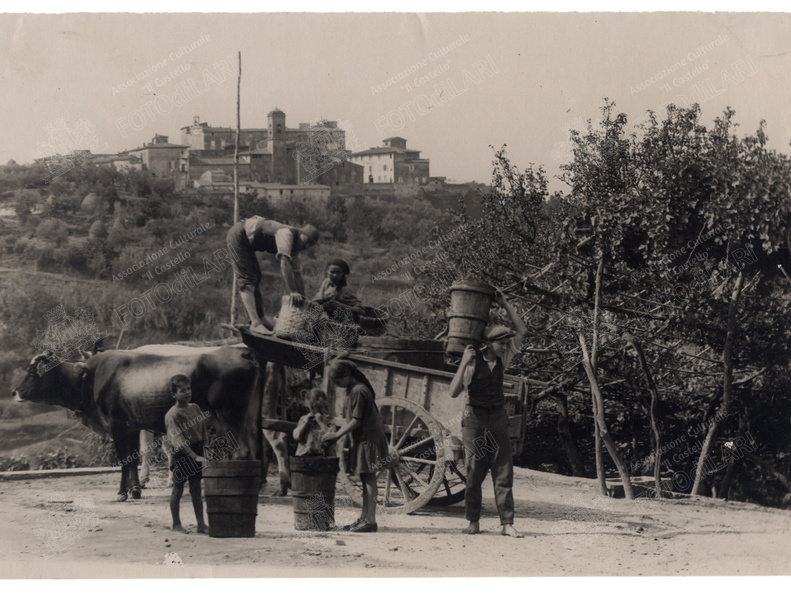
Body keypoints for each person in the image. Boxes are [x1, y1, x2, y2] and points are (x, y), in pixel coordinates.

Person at [449, 289, 527, 537]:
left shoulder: (504, 359)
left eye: (507, 342)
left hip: (497, 419)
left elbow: (522, 330)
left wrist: (505, 303)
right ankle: (473, 521)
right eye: (502, 343)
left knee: (503, 471)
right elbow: (453, 392)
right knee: (474, 472)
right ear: (490, 344)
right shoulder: (473, 361)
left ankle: (507, 523)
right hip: (475, 420)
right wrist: (463, 362)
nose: (506, 346)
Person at [322, 360, 389, 533]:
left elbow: (355, 421)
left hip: (368, 439)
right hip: (364, 439)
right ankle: (364, 518)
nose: (337, 385)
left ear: (347, 376)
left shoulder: (358, 391)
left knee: (369, 478)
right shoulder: (356, 389)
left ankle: (371, 520)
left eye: (338, 381)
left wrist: (337, 435)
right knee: (366, 477)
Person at [227, 215, 320, 336]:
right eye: (307, 241)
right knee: (247, 279)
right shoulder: (287, 234)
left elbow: (297, 274)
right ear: (301, 233)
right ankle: (255, 323)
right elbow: (284, 263)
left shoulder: (297, 248)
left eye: (311, 244)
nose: (307, 246)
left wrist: (303, 301)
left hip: (249, 242)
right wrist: (292, 291)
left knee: (256, 277)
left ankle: (260, 319)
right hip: (239, 235)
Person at [164, 374, 208, 534]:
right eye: (182, 390)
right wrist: (194, 456)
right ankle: (176, 524)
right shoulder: (172, 415)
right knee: (178, 488)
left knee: (196, 489)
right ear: (174, 394)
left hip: (197, 450)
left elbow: (203, 428)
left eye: (188, 389)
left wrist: (206, 447)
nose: (187, 392)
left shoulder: (195, 408)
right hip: (181, 454)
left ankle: (201, 524)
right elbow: (178, 440)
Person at [293, 388, 337, 457]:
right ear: (308, 406)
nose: (316, 410)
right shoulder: (304, 419)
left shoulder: (329, 420)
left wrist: (321, 422)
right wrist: (305, 424)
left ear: (324, 406)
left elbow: (332, 436)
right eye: (312, 408)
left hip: (324, 457)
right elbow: (296, 436)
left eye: (319, 407)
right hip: (304, 456)